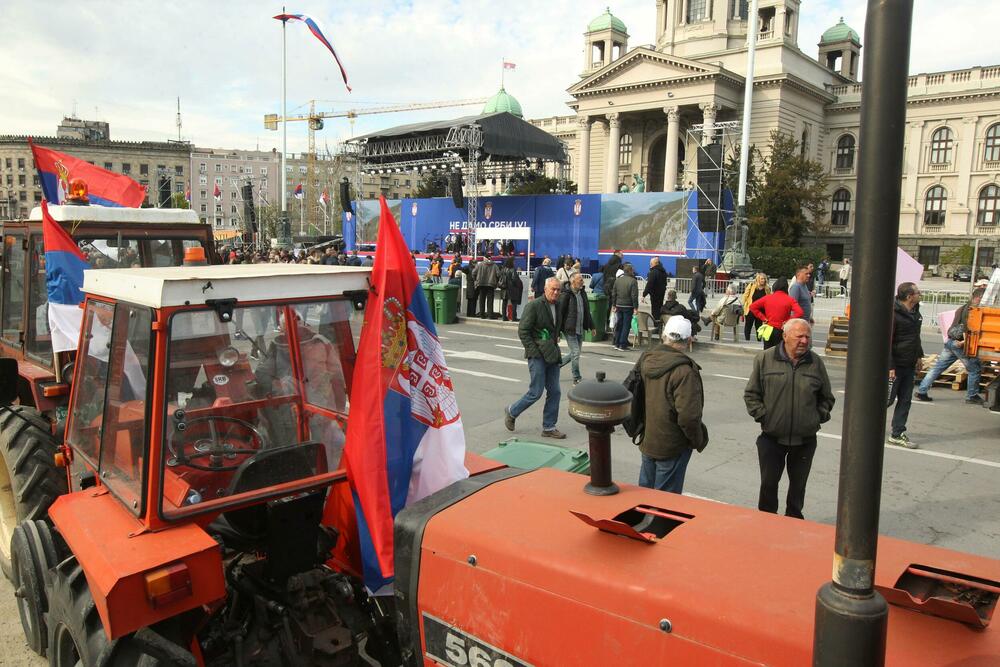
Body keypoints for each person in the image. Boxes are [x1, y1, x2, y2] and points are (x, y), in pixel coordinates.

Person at [743, 318, 835, 519]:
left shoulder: (815, 362)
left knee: (798, 487)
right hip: (772, 438)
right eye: (799, 336)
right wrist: (764, 417)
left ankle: (794, 521)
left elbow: (827, 398)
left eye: (807, 337)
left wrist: (815, 418)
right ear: (785, 336)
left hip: (805, 440)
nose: (804, 341)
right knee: (768, 485)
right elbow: (751, 394)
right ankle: (766, 521)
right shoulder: (765, 359)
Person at [636, 315, 708, 493]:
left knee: (645, 495)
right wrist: (697, 440)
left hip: (648, 439)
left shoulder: (647, 359)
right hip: (672, 445)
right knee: (666, 501)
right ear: (689, 341)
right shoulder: (684, 371)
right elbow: (689, 417)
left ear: (663, 336)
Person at [505, 277, 567, 439]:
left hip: (552, 354)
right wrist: (534, 352)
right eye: (553, 289)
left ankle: (549, 427)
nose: (556, 292)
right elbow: (523, 331)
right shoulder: (534, 306)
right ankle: (512, 411)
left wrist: (556, 336)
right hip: (537, 355)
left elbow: (555, 327)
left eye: (558, 290)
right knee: (536, 392)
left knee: (555, 392)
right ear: (545, 289)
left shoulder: (558, 305)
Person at [916, 287, 985, 405]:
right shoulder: (972, 311)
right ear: (978, 298)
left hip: (950, 342)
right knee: (974, 369)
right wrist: (963, 342)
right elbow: (968, 329)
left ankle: (922, 391)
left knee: (938, 368)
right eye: (983, 299)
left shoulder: (963, 307)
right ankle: (972, 396)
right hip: (960, 344)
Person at [888, 282, 924, 449]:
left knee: (905, 400)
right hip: (895, 366)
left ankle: (897, 433)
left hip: (909, 364)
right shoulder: (893, 314)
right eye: (917, 292)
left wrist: (919, 356)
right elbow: (886, 342)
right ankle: (864, 426)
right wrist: (890, 366)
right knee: (887, 400)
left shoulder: (915, 313)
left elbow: (915, 337)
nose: (920, 294)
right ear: (909, 296)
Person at [558, 273, 595, 385]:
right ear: (573, 282)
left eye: (582, 280)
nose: (582, 282)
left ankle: (556, 366)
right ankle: (576, 377)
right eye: (580, 280)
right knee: (575, 352)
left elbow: (586, 311)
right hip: (569, 329)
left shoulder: (582, 293)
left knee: (575, 353)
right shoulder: (566, 295)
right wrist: (557, 333)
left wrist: (592, 326)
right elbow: (560, 314)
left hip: (580, 328)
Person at [749, 278, 803, 349]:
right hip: (782, 329)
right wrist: (788, 321)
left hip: (768, 329)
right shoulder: (790, 300)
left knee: (767, 352)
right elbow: (800, 312)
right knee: (780, 351)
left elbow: (752, 307)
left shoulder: (767, 298)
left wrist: (763, 318)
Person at [612, 262, 639, 351]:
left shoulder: (618, 280)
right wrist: (635, 307)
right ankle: (622, 344)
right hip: (628, 306)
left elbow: (614, 294)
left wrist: (614, 305)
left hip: (618, 305)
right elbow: (634, 296)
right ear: (630, 271)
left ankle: (616, 343)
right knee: (626, 325)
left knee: (619, 324)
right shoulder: (633, 281)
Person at [741, 272, 771, 342]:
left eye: (764, 279)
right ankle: (747, 340)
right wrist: (743, 305)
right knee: (748, 325)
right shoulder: (751, 286)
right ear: (758, 279)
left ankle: (759, 340)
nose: (763, 280)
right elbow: (745, 296)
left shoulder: (767, 288)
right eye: (762, 279)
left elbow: (769, 298)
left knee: (759, 326)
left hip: (761, 311)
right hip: (751, 309)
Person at [643, 257, 668, 324]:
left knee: (655, 311)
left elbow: (649, 284)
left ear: (655, 263)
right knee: (659, 310)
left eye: (651, 263)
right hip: (661, 294)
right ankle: (659, 325)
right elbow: (665, 283)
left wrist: (644, 294)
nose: (650, 264)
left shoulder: (653, 272)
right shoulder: (663, 272)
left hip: (654, 295)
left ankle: (656, 326)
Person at [499, 257, 524, 322]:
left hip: (504, 288)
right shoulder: (512, 270)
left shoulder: (503, 269)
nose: (514, 263)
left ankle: (504, 317)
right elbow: (515, 279)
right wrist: (519, 285)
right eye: (513, 261)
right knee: (514, 303)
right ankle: (513, 317)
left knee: (504, 303)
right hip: (512, 289)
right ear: (511, 262)